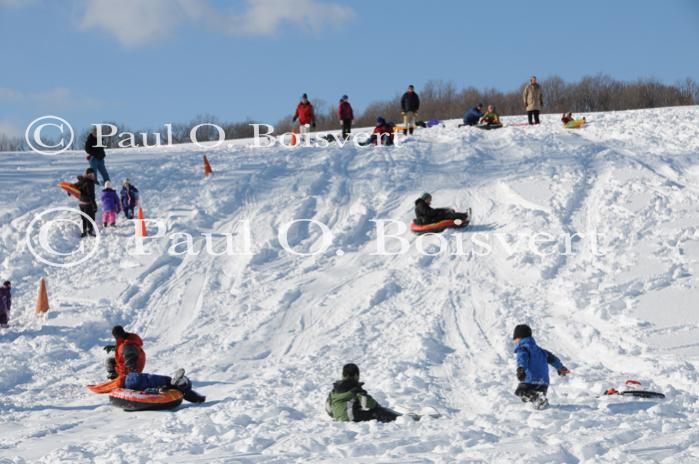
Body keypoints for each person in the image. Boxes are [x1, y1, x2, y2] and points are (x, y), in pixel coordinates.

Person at [512, 324, 570, 408]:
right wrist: (561, 368)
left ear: (519, 337)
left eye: (515, 338)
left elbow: (522, 359)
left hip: (530, 380)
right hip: (543, 383)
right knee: (536, 403)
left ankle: (538, 400)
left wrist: (521, 369)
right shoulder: (541, 351)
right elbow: (553, 359)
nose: (514, 341)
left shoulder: (523, 348)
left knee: (520, 392)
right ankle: (540, 404)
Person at [325, 363, 399, 422]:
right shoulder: (355, 389)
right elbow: (367, 403)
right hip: (352, 418)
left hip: (339, 419)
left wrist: (339, 415)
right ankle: (399, 419)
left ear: (343, 375)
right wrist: (377, 406)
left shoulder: (333, 391)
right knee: (378, 411)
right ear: (356, 375)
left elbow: (329, 409)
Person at [124, 368, 206, 403]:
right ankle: (182, 382)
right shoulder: (132, 375)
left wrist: (157, 390)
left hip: (161, 385)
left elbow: (145, 391)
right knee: (179, 388)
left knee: (182, 391)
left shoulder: (132, 385)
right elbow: (149, 377)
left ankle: (197, 398)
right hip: (162, 379)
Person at [72, 168, 98, 237]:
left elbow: (74, 186)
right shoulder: (90, 182)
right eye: (91, 174)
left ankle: (84, 232)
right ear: (88, 174)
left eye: (93, 174)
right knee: (91, 218)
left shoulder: (81, 181)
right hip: (88, 203)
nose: (92, 175)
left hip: (81, 203)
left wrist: (69, 191)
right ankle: (90, 231)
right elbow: (91, 195)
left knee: (84, 218)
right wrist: (94, 205)